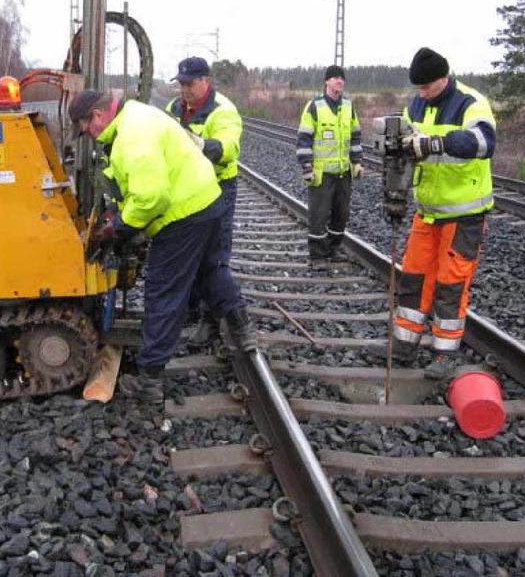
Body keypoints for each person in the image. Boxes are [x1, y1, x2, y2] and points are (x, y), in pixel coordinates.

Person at [68, 89, 257, 403]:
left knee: (164, 291)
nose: (87, 134)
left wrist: (117, 227)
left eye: (85, 127)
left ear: (98, 115)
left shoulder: (131, 136)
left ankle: (150, 380)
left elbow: (152, 197)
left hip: (182, 214)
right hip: (207, 200)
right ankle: (241, 327)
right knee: (209, 272)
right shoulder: (136, 115)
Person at [392, 47, 496, 380]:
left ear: (443, 78)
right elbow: (405, 140)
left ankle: (444, 355)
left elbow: (483, 142)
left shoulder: (470, 103)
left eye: (426, 87)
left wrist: (436, 143)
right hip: (428, 211)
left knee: (451, 283)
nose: (421, 93)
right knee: (414, 275)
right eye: (417, 88)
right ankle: (404, 345)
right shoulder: (417, 103)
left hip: (464, 213)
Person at [165, 56, 243, 347]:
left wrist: (198, 144)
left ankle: (217, 320)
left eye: (188, 84)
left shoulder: (223, 111)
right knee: (188, 252)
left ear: (205, 81)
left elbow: (228, 148)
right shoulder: (173, 109)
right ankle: (193, 309)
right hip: (186, 191)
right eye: (180, 84)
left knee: (215, 257)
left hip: (218, 187)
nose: (183, 90)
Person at [296, 65, 363, 265]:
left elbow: (356, 136)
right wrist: (306, 167)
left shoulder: (349, 107)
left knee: (341, 214)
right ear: (326, 82)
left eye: (341, 78)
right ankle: (317, 255)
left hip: (343, 172)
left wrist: (357, 162)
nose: (339, 81)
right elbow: (304, 138)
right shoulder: (315, 107)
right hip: (321, 173)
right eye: (334, 78)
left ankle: (334, 249)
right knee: (319, 215)